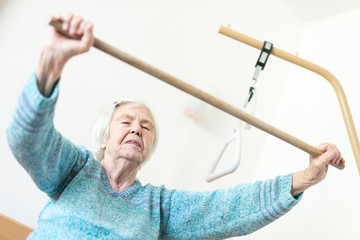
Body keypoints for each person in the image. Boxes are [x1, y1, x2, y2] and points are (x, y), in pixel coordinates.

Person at [7, 13, 345, 239]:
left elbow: (228, 208)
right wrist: (48, 68)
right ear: (105, 135)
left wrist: (306, 178)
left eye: (147, 127)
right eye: (125, 121)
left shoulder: (158, 207)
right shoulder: (75, 170)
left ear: (150, 147)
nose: (137, 129)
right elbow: (28, 139)